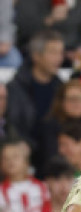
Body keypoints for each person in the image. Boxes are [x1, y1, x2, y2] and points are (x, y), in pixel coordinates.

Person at [4, 30, 65, 159]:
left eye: (61, 53)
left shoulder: (62, 87)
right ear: (36, 56)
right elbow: (12, 124)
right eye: (53, 52)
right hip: (24, 152)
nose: (59, 58)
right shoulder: (14, 87)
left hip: (57, 153)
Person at [0, 139, 48, 212]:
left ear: (26, 161)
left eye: (15, 157)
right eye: (5, 158)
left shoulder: (43, 188)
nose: (10, 161)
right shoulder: (1, 191)